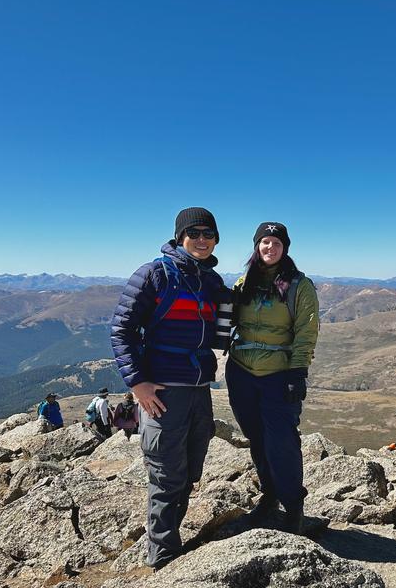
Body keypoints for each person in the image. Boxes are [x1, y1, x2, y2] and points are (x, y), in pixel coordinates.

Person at [111, 207, 226, 569]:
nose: (202, 239)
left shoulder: (211, 281)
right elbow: (121, 330)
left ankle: (170, 543)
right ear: (180, 238)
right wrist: (138, 383)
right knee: (166, 476)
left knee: (190, 471)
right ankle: (162, 561)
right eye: (195, 233)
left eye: (209, 233)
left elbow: (227, 321)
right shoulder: (154, 274)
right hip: (161, 393)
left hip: (198, 389)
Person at [227, 221, 319, 534]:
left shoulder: (298, 285)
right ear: (257, 246)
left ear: (285, 248)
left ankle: (293, 506)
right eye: (265, 242)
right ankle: (269, 497)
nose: (270, 248)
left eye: (276, 243)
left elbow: (307, 330)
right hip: (241, 372)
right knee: (257, 438)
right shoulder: (244, 281)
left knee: (281, 442)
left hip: (278, 376)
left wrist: (297, 370)